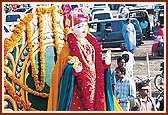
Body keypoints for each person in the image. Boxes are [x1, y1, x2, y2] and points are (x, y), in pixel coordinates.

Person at [47, 6, 122, 111]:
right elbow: (62, 70)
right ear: (72, 29)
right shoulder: (68, 46)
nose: (83, 29)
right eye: (79, 26)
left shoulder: (91, 42)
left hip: (95, 87)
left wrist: (106, 63)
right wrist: (73, 69)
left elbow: (96, 64)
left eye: (85, 25)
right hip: (78, 90)